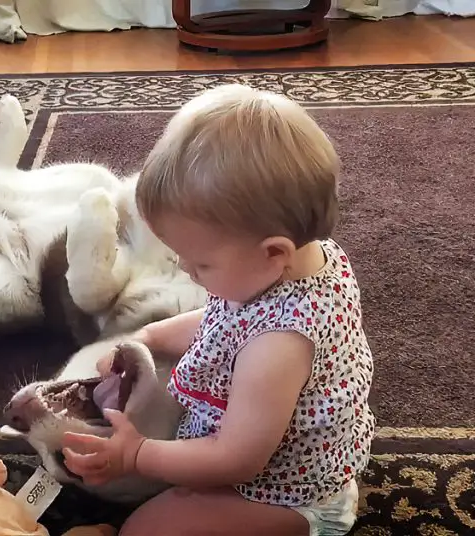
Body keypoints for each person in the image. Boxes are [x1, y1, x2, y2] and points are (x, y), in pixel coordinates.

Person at [60, 84, 375, 536]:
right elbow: (223, 319)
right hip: (256, 451)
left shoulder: (278, 348)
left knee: (143, 530)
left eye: (201, 262)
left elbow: (237, 460)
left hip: (284, 495)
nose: (184, 269)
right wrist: (147, 338)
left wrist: (138, 455)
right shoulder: (289, 264)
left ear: (273, 252)